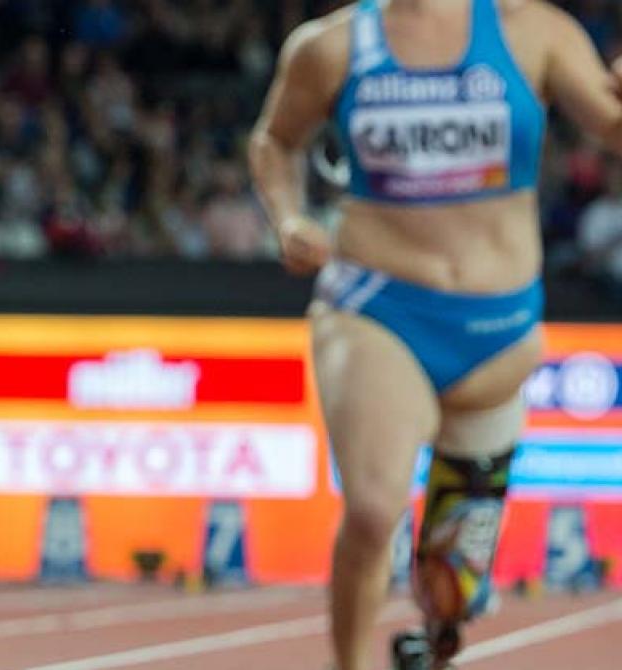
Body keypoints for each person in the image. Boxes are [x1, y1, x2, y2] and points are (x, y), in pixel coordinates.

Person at [248, 2, 622, 668]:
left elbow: (613, 127)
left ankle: (437, 635)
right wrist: (288, 219)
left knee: (452, 597)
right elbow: (274, 140)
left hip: (500, 330)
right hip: (380, 307)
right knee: (374, 506)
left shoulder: (531, 30)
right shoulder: (333, 45)